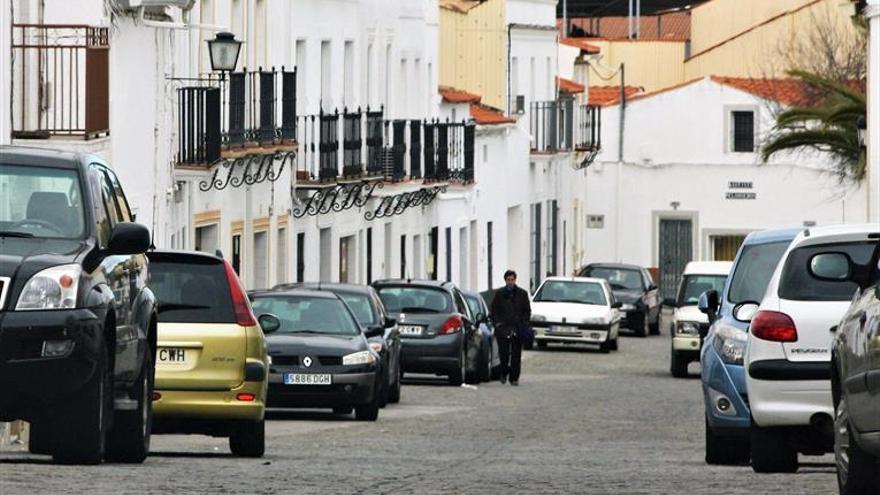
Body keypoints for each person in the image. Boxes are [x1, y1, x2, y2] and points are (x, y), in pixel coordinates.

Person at [490, 269, 531, 386]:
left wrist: (524, 324)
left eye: (512, 280)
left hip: (517, 328)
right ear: (505, 280)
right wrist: (496, 323)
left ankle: (514, 378)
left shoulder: (522, 294)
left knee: (516, 355)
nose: (510, 282)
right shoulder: (499, 294)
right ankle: (504, 372)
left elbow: (527, 310)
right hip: (503, 328)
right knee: (503, 354)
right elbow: (494, 310)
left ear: (515, 280)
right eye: (508, 280)